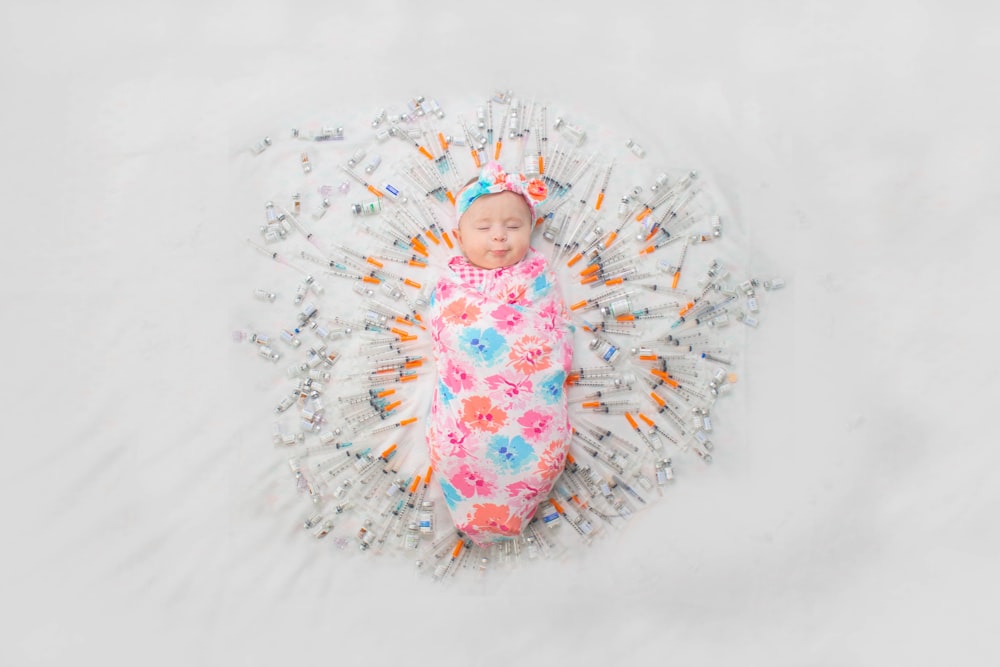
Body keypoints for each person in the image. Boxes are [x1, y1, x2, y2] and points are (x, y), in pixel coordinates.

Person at [426, 161, 574, 547]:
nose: (499, 238)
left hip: (530, 412)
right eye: (484, 228)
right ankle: (470, 504)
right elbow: (448, 329)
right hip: (468, 417)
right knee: (460, 450)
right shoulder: (453, 283)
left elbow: (554, 333)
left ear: (531, 230)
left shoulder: (537, 277)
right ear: (459, 235)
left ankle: (525, 492)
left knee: (537, 450)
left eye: (513, 227)